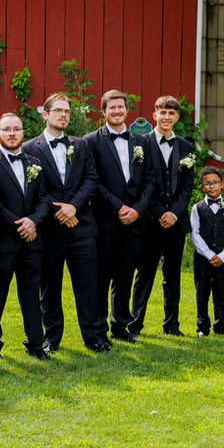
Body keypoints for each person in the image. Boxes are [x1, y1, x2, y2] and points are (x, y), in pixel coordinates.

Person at [23, 94, 108, 353]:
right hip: (49, 230)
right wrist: (58, 210)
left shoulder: (81, 145)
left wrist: (74, 207)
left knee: (87, 285)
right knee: (50, 287)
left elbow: (91, 179)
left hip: (81, 228)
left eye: (67, 112)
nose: (63, 116)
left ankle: (93, 337)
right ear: (45, 114)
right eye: (58, 111)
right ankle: (52, 338)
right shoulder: (29, 148)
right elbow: (32, 188)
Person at [84, 90, 156, 345]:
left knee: (125, 277)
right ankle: (99, 329)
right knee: (102, 278)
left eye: (120, 107)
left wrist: (137, 209)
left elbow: (149, 180)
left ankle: (120, 326)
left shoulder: (142, 142)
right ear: (103, 112)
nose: (116, 111)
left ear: (127, 110)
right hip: (104, 221)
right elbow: (93, 181)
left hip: (135, 222)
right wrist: (118, 207)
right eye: (111, 108)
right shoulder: (90, 141)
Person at [0, 113, 50, 360]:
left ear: (23, 133)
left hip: (32, 241)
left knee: (31, 294)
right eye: (6, 129)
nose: (12, 133)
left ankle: (35, 344)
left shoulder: (35, 162)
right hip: (3, 242)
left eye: (16, 129)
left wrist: (33, 221)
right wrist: (18, 224)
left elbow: (44, 198)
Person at [130, 96, 195, 338]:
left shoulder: (186, 148)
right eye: (162, 112)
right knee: (144, 274)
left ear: (177, 117)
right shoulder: (141, 144)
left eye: (171, 113)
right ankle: (135, 325)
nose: (167, 117)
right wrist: (159, 213)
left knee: (172, 276)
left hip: (176, 224)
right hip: (149, 221)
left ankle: (172, 325)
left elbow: (187, 187)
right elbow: (140, 185)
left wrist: (174, 214)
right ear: (154, 115)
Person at [190, 166, 224, 337]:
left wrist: (223, 256)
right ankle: (202, 327)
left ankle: (221, 326)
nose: (211, 186)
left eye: (215, 182)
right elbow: (194, 234)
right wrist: (210, 255)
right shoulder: (197, 208)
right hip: (203, 258)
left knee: (220, 290)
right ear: (202, 187)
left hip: (223, 258)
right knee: (202, 291)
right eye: (207, 183)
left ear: (222, 185)